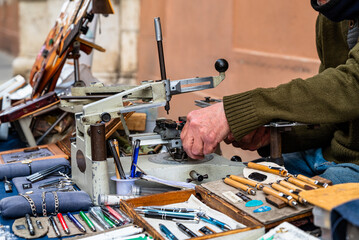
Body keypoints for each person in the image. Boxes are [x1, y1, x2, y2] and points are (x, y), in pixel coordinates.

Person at [181, 0, 359, 184]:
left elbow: (352, 85)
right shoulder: (330, 15)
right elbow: (333, 111)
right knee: (224, 186)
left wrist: (235, 112)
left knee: (301, 209)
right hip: (326, 155)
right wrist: (274, 133)